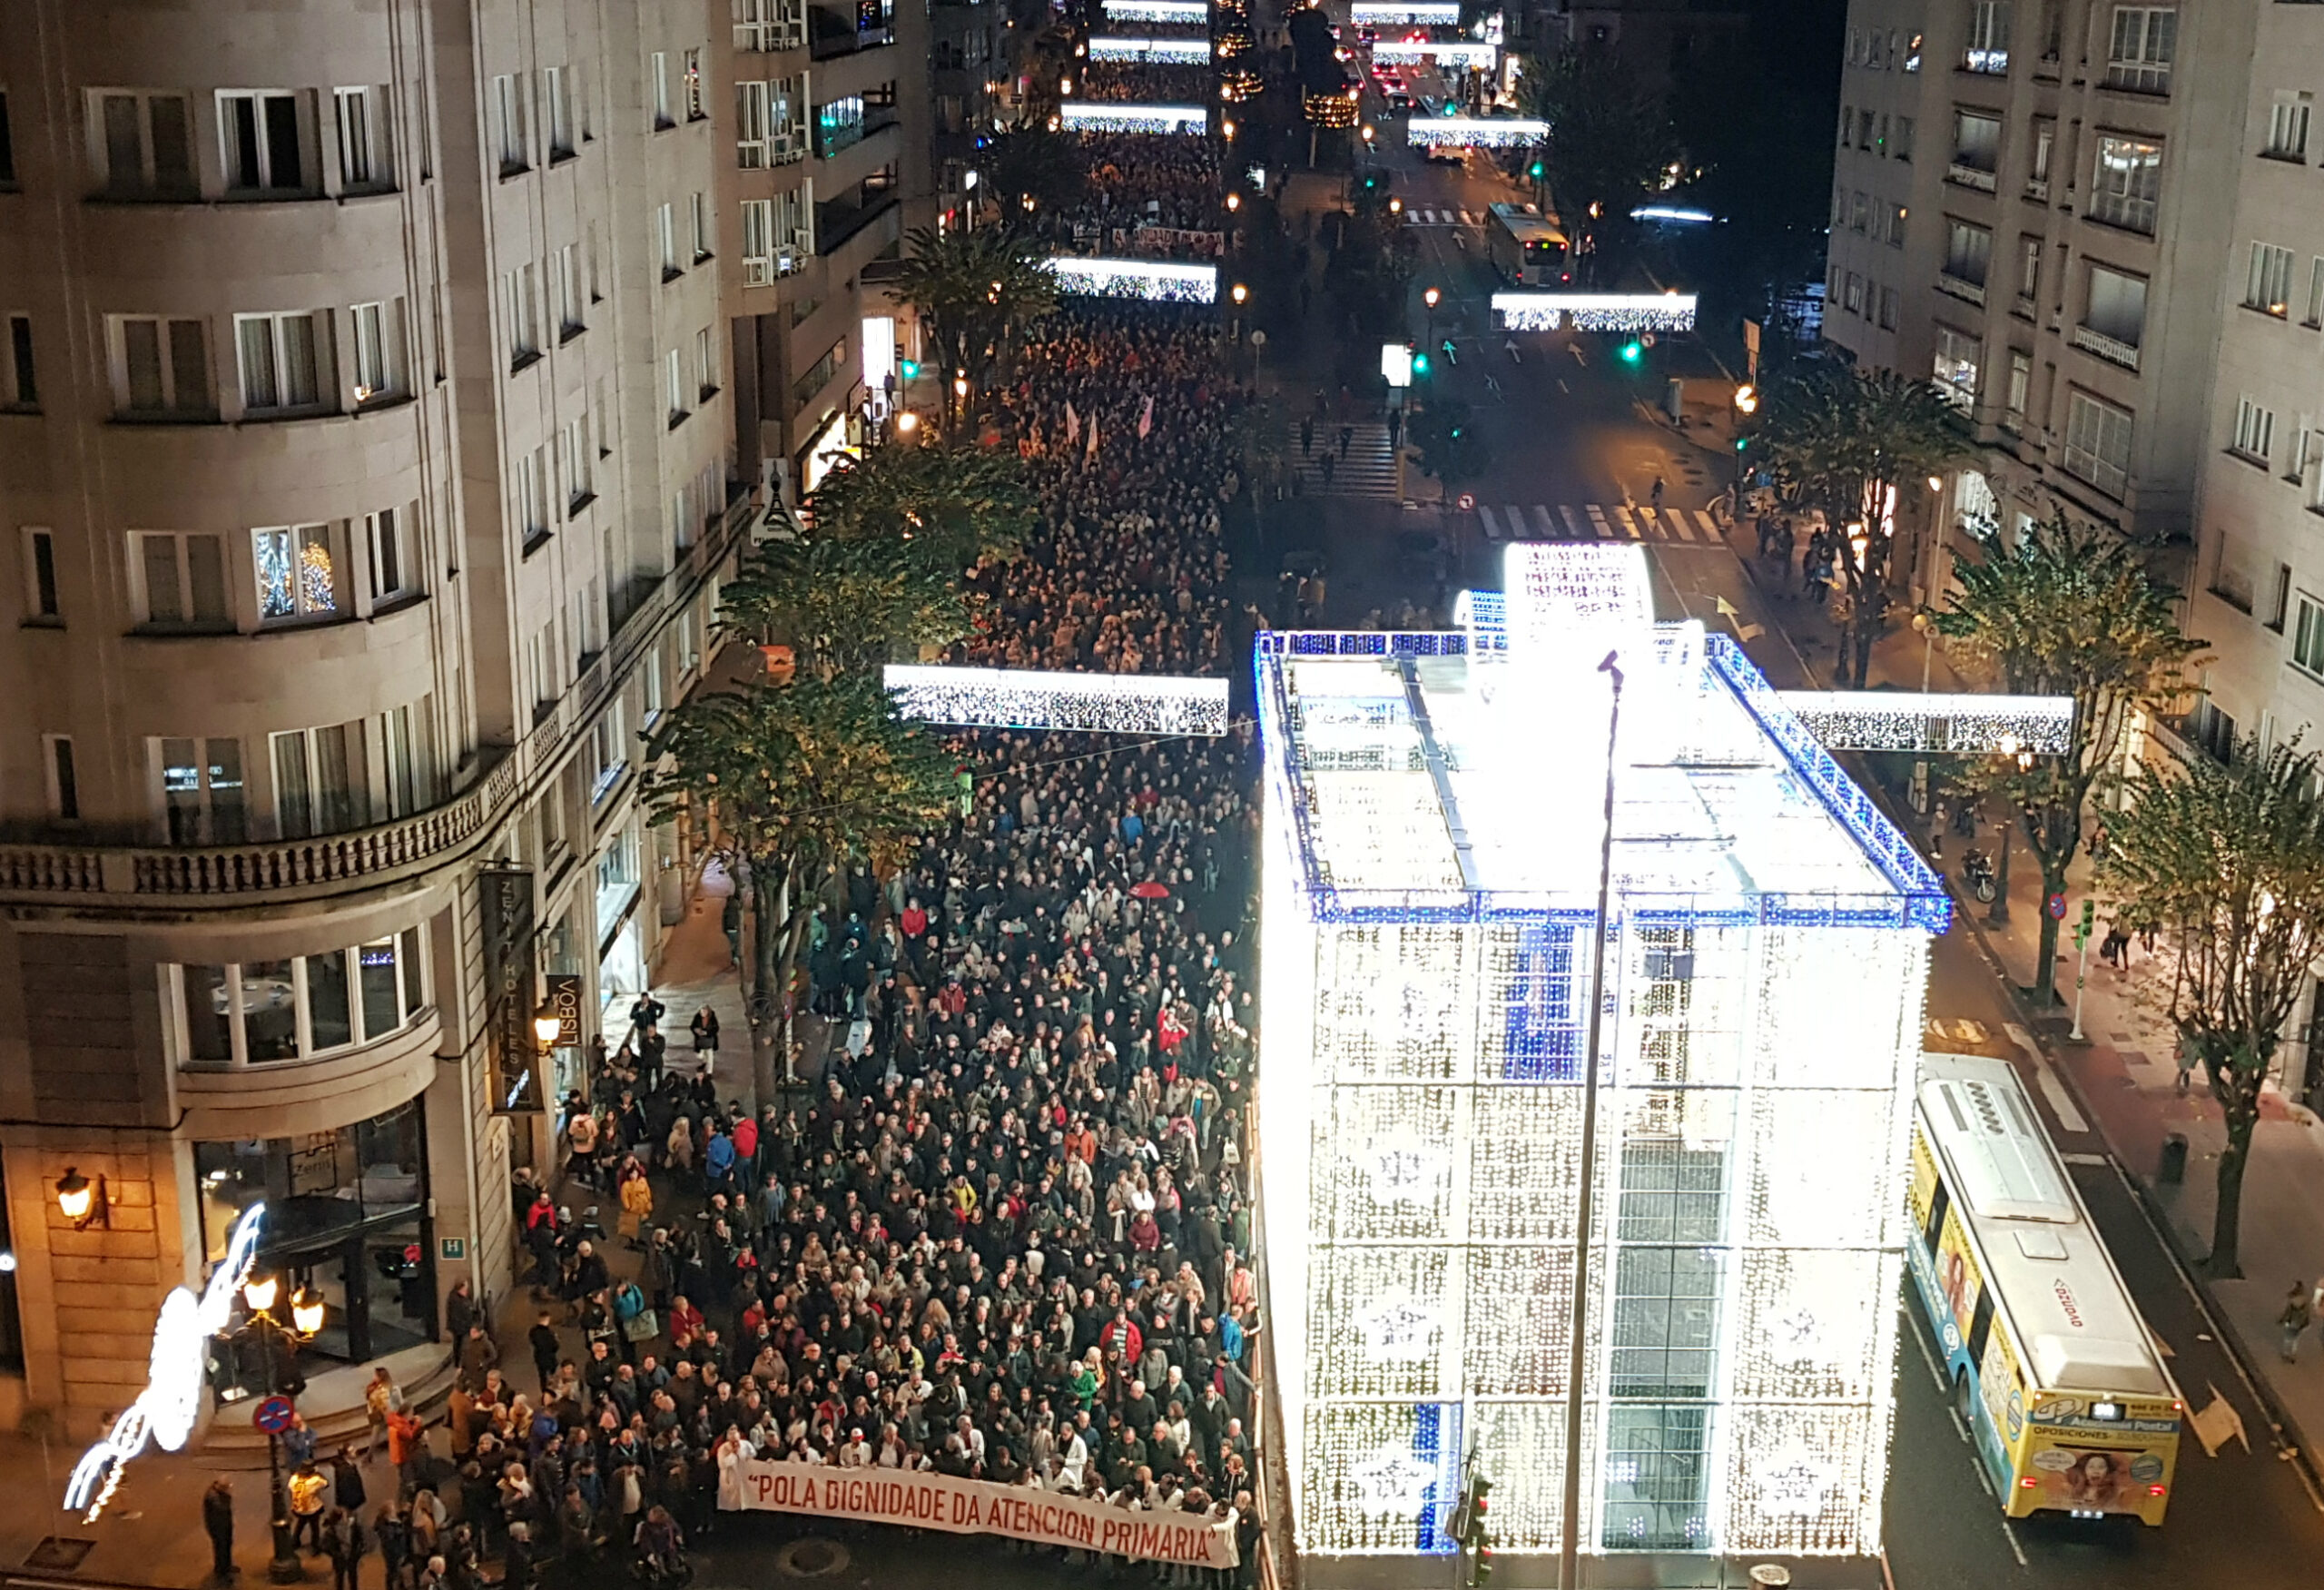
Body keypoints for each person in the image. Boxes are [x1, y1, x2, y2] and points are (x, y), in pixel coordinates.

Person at [324, 1506, 369, 1590]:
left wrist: (359, 1551)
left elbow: (361, 1539)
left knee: (347, 1579)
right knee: (345, 1579)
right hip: (345, 1557)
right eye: (345, 1515)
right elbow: (326, 1546)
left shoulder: (351, 1527)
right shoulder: (334, 1531)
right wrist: (336, 1554)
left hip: (348, 1557)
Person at [290, 1462, 330, 1553]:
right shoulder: (315, 1480)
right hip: (312, 1509)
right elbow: (326, 1484)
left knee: (300, 1523)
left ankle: (295, 1541)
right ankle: (315, 1546)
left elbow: (290, 1487)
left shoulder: (294, 1478)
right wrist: (318, 1473)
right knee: (315, 1528)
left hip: (298, 1507)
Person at [364, 1367, 403, 1460]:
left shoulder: (391, 1389)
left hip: (389, 1414)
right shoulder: (374, 1388)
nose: (373, 1377)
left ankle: (369, 1455)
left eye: (375, 1375)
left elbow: (399, 1402)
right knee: (376, 1435)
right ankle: (369, 1455)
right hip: (381, 1415)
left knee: (379, 1435)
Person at [204, 1476, 238, 1581]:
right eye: (226, 1488)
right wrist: (228, 1496)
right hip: (218, 1527)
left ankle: (227, 1566)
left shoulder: (219, 1494)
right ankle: (221, 1572)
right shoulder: (213, 1497)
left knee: (227, 1545)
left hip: (224, 1524)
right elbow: (222, 1508)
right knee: (221, 1548)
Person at [2282, 1280, 2314, 1361]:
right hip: (2300, 1323)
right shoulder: (2305, 1300)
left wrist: (2283, 1320)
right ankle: (2293, 1354)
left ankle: (2286, 1353)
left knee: (2288, 1338)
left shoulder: (2292, 1300)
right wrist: (2306, 1323)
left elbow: (2288, 1312)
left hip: (2292, 1322)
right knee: (2295, 1339)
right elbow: (2307, 1313)